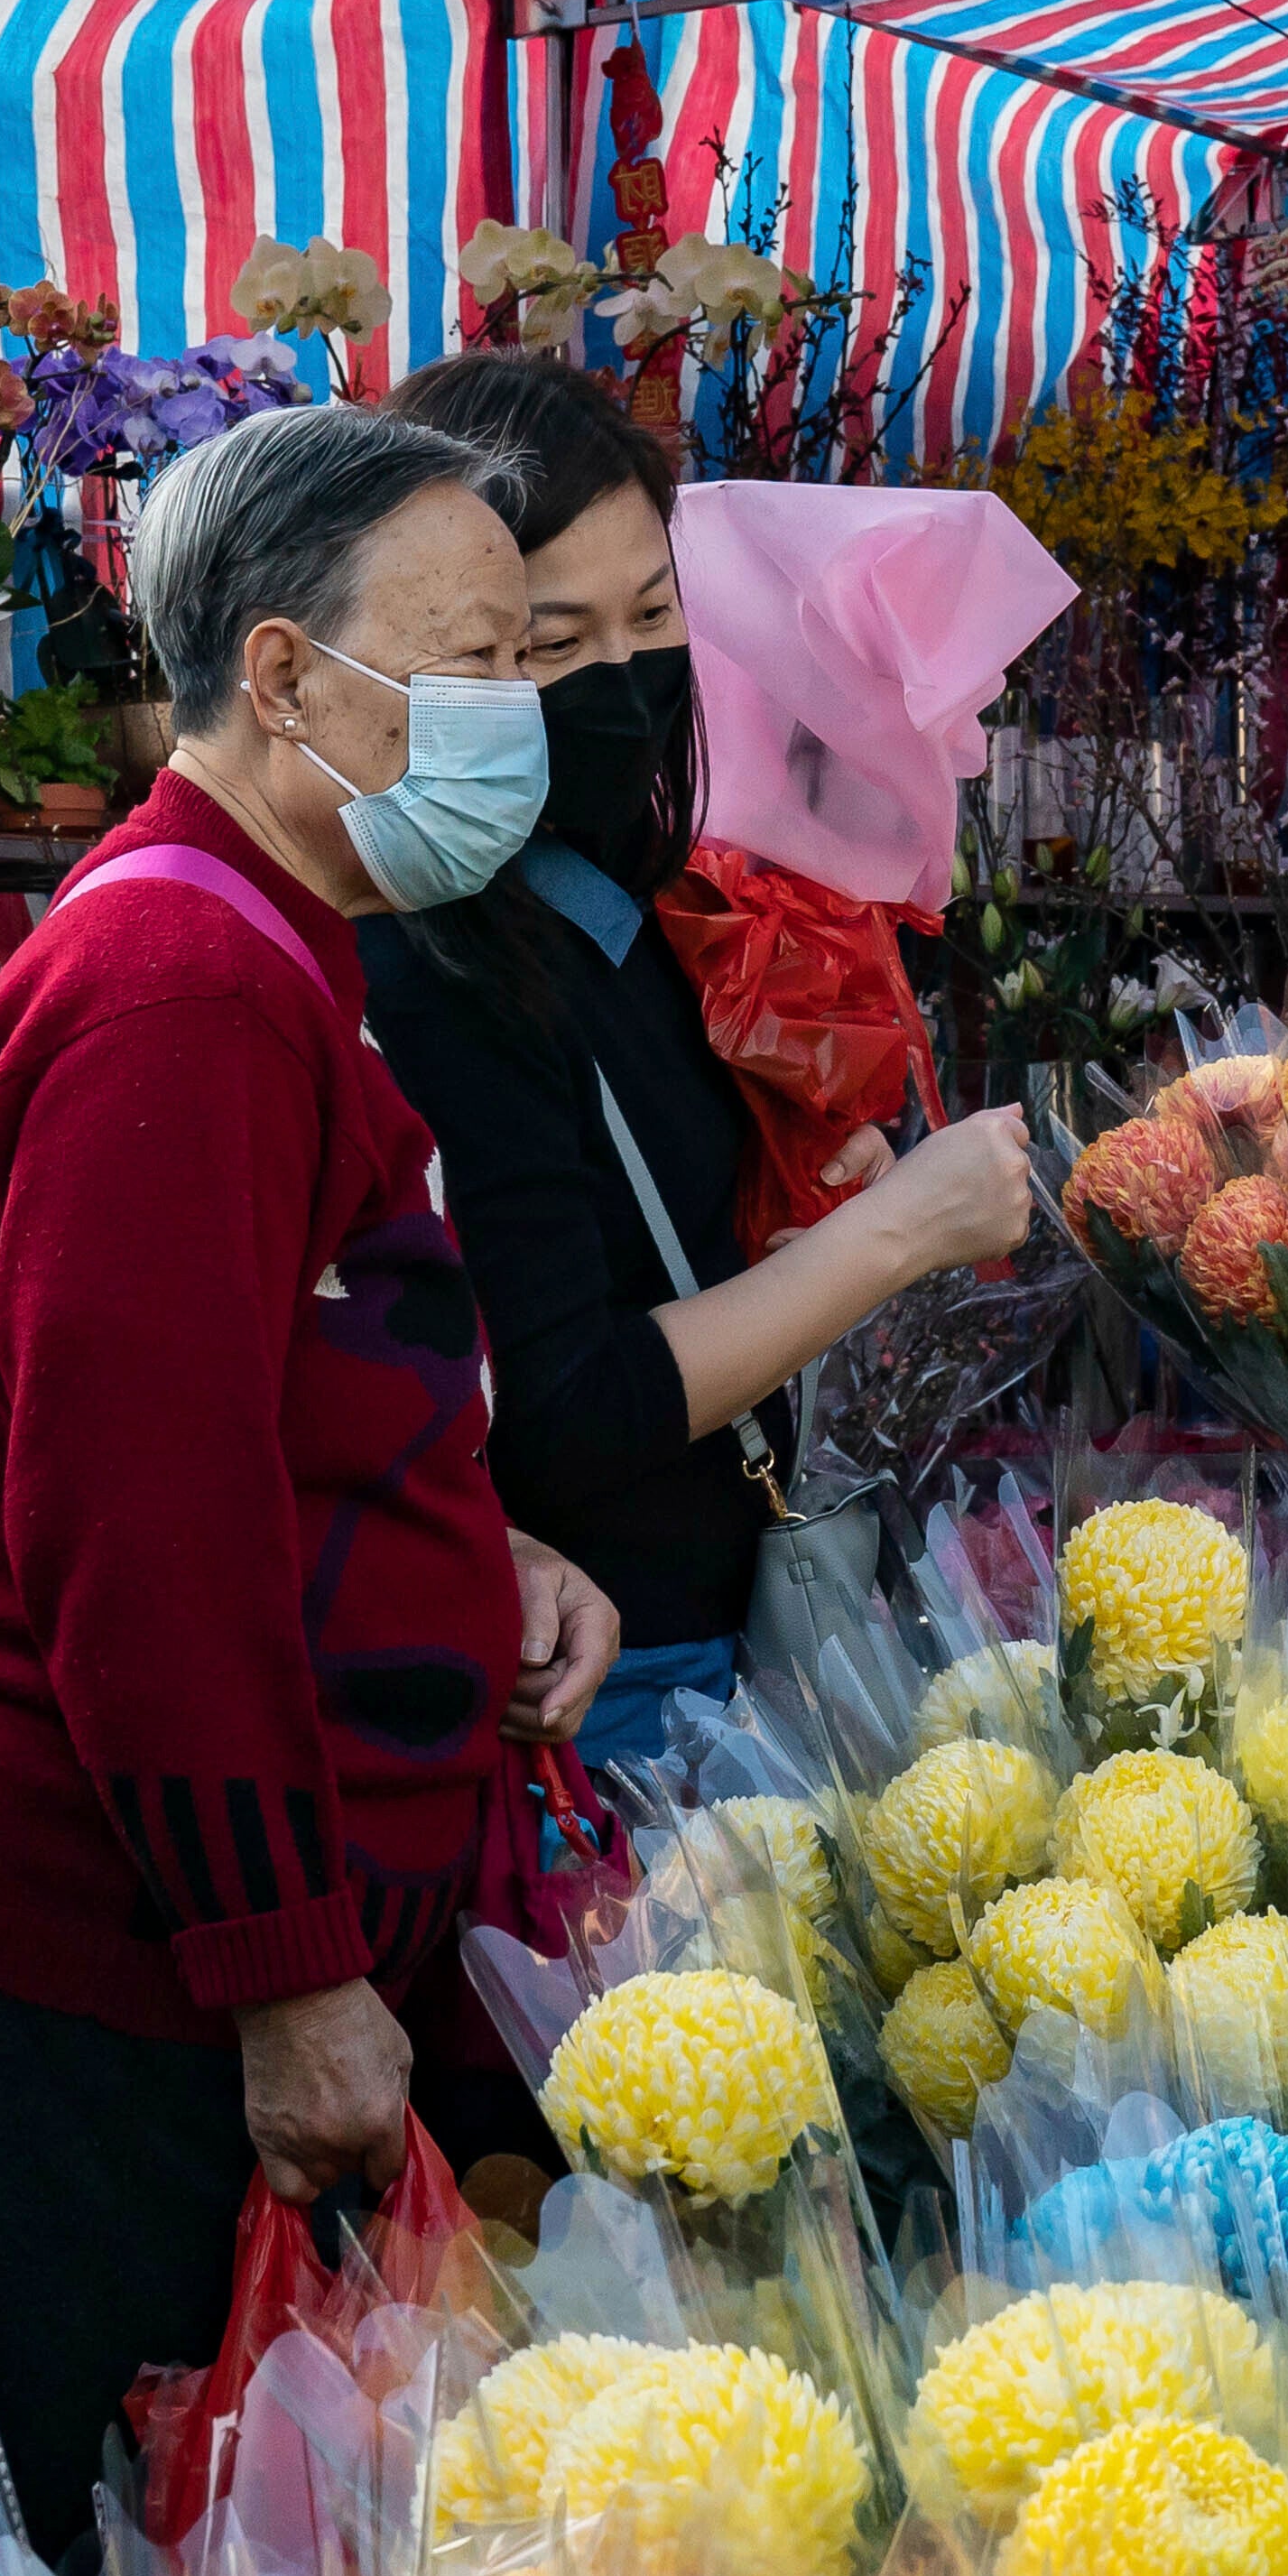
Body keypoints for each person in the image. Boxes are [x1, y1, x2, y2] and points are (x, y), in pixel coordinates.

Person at [0, 403, 615, 2553]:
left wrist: (478, 1546)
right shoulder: (177, 987)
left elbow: (262, 1403)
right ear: (281, 675)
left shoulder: (276, 943)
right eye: (479, 663)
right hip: (116, 1956)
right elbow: (142, 1529)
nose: (525, 714)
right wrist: (285, 1968)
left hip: (204, 1915)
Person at [363, 353, 1045, 1762]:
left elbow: (659, 1246)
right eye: (553, 641)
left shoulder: (621, 893)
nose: (624, 679)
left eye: (654, 613)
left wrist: (806, 1196)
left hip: (719, 1638)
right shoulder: (439, 961)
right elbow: (562, 1413)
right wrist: (894, 1239)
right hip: (601, 1691)